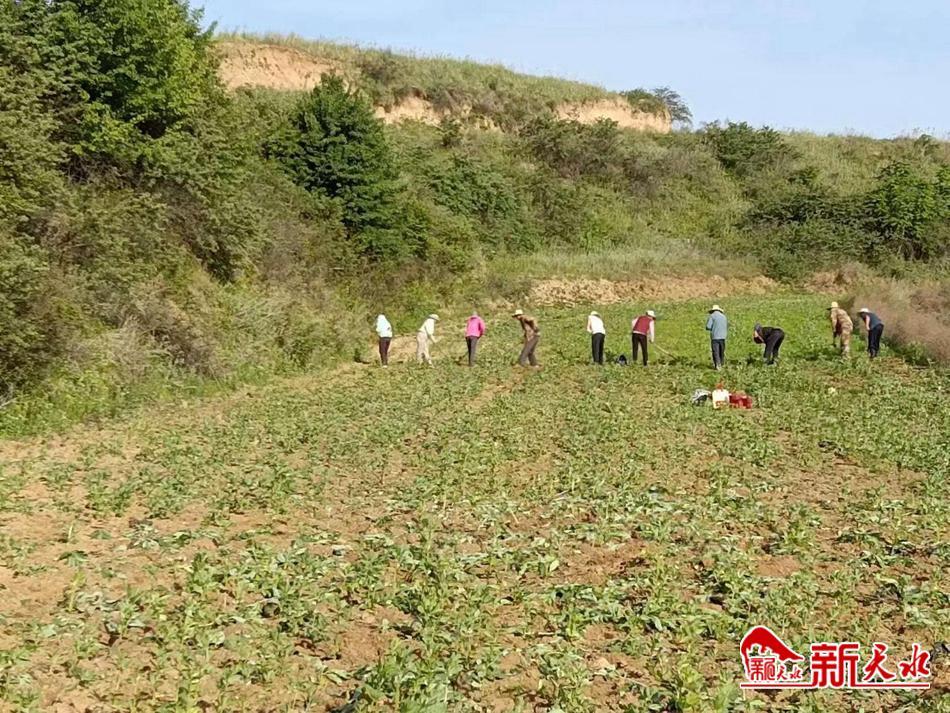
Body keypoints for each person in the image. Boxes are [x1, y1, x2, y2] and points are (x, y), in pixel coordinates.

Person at [705, 305, 728, 370]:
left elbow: (708, 327)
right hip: (723, 336)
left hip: (715, 336)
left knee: (716, 351)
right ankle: (722, 362)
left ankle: (717, 364)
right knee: (721, 350)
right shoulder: (724, 317)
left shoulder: (712, 316)